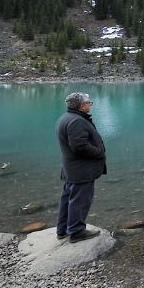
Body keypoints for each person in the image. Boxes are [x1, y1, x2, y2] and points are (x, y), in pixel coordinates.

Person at [56, 92, 107, 242]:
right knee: (80, 200)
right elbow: (79, 145)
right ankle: (77, 232)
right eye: (88, 103)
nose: (89, 105)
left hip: (71, 168)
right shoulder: (76, 121)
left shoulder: (66, 118)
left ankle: (63, 229)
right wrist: (98, 152)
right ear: (81, 106)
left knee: (68, 198)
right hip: (81, 170)